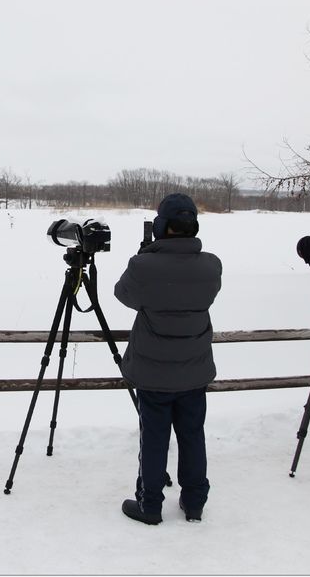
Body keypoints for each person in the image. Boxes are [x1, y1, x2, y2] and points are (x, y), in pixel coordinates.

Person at [113, 193, 222, 525]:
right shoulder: (211, 265)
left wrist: (146, 256)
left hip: (153, 373)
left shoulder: (143, 266)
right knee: (192, 435)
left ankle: (150, 504)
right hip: (194, 370)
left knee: (155, 437)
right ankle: (194, 503)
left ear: (161, 226)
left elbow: (124, 294)